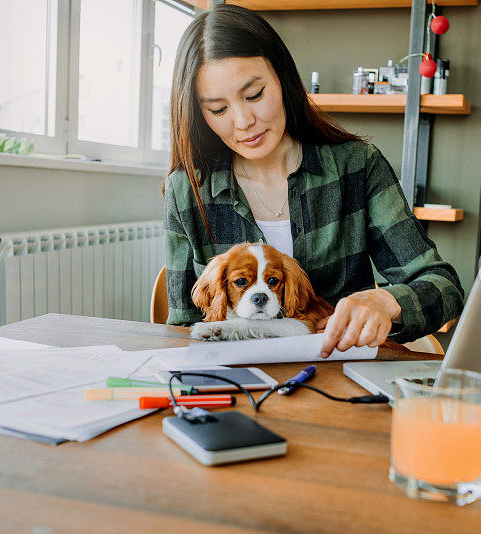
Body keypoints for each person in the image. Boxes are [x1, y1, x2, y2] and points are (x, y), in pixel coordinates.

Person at [163, 4, 464, 357]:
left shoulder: (357, 166)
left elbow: (444, 288)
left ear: (284, 78)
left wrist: (385, 302)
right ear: (198, 113)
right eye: (218, 109)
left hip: (339, 373)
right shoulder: (187, 190)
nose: (243, 121)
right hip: (232, 382)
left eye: (255, 95)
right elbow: (181, 327)